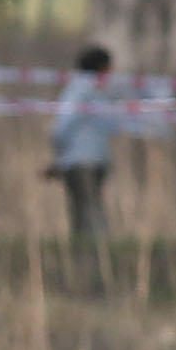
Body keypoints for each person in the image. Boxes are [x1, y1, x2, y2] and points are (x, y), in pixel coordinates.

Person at [46, 46, 121, 273]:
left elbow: (60, 129)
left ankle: (89, 263)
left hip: (80, 162)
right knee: (91, 212)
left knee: (84, 214)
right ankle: (97, 263)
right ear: (102, 67)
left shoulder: (80, 89)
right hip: (90, 162)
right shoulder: (93, 90)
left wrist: (58, 157)